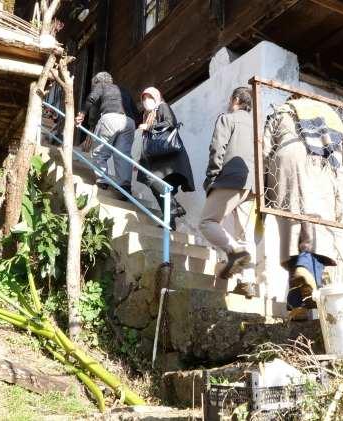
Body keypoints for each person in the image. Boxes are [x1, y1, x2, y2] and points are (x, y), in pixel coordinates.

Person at [261, 98, 343, 311]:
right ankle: (305, 280)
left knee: (291, 228)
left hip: (286, 158)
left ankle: (296, 303)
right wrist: (338, 204)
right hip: (321, 165)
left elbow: (264, 150)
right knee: (318, 230)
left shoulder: (282, 110)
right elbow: (337, 159)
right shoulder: (328, 115)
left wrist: (263, 187)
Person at [199, 87, 257, 298]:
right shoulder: (257, 126)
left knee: (207, 222)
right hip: (253, 185)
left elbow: (217, 149)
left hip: (230, 179)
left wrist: (212, 178)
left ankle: (235, 252)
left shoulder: (227, 119)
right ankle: (248, 282)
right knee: (245, 233)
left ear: (235, 100)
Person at [136, 87, 195, 230]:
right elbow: (147, 143)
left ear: (156, 97)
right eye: (144, 99)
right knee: (157, 186)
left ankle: (173, 208)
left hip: (170, 157)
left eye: (149, 98)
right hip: (158, 158)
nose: (146, 101)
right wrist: (140, 159)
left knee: (153, 181)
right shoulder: (148, 115)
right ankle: (170, 221)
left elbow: (170, 122)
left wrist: (149, 127)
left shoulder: (162, 107)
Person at [76, 71, 139, 197]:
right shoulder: (123, 90)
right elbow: (136, 112)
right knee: (123, 155)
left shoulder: (101, 85)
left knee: (99, 151)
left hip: (110, 118)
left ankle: (102, 180)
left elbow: (92, 98)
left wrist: (82, 113)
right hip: (129, 122)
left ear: (97, 82)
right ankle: (125, 186)